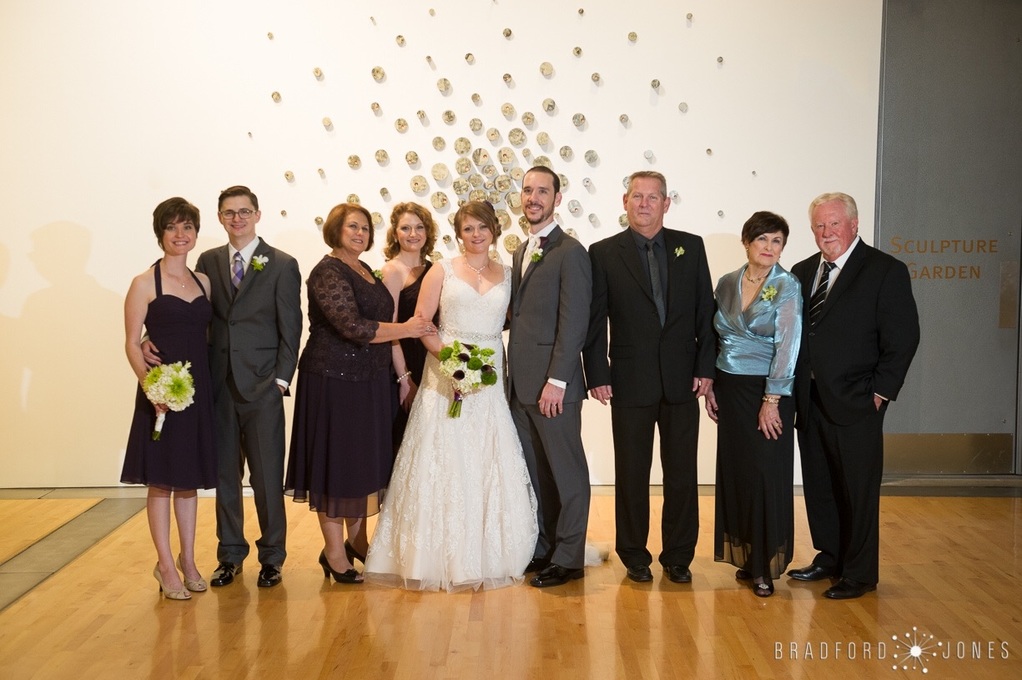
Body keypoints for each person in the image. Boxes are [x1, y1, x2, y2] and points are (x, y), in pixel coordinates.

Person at [366, 201, 539, 591]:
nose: (476, 235)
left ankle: (493, 551)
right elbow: (422, 323)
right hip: (445, 372)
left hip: (490, 374)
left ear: (494, 230)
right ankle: (434, 556)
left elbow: (518, 320)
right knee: (443, 456)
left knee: (487, 456)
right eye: (468, 228)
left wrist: (483, 368)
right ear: (458, 234)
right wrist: (455, 363)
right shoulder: (441, 269)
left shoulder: (509, 274)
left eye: (482, 227)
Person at [144, 186, 303, 589]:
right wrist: (148, 336)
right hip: (217, 387)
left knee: (267, 479)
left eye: (244, 211)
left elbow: (291, 328)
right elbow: (190, 313)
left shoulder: (282, 264)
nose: (237, 218)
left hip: (263, 387)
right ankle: (229, 556)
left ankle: (272, 557)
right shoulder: (208, 262)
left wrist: (280, 381)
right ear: (220, 218)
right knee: (226, 478)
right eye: (230, 212)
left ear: (257, 214)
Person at [285, 203, 436, 584]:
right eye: (352, 226)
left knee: (359, 466)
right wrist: (409, 329)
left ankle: (357, 542)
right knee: (334, 467)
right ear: (335, 230)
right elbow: (353, 326)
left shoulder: (364, 269)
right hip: (333, 380)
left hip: (369, 380)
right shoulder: (327, 271)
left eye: (365, 228)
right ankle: (334, 554)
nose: (360, 233)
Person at [583, 171, 715, 585]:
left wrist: (706, 368)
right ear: (624, 202)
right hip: (629, 380)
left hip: (683, 381)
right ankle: (634, 555)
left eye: (652, 197)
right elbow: (595, 319)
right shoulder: (603, 252)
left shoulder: (691, 246)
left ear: (666, 203)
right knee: (631, 474)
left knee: (682, 475)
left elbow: (705, 313)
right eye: (636, 196)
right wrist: (597, 373)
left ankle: (678, 556)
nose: (644, 204)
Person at [788, 192, 919, 599]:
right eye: (819, 225)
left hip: (858, 400)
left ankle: (859, 573)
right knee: (820, 484)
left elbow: (904, 337)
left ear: (854, 224)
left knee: (858, 490)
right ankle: (830, 557)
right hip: (809, 398)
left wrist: (880, 392)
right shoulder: (802, 271)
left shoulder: (884, 270)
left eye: (834, 224)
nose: (827, 232)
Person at [122, 197, 217, 600]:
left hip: (198, 391)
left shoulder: (203, 282)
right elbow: (131, 343)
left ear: (195, 233)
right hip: (160, 394)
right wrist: (153, 389)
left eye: (187, 227)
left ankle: (188, 560)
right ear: (160, 233)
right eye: (172, 227)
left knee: (188, 481)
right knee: (162, 481)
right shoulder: (144, 283)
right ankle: (165, 565)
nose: (180, 234)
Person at [703, 211, 802, 597]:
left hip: (768, 393)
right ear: (747, 242)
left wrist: (771, 400)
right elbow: (714, 338)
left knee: (764, 477)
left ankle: (763, 565)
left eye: (777, 241)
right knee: (739, 474)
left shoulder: (787, 285)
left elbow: (789, 347)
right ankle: (746, 557)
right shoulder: (727, 282)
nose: (769, 247)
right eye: (762, 239)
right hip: (730, 390)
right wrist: (712, 386)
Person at [508, 166, 593, 588]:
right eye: (528, 190)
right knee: (537, 474)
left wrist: (557, 381)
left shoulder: (570, 251)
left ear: (557, 199)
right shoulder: (520, 251)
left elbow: (574, 322)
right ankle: (544, 548)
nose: (533, 198)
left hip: (552, 386)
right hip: (520, 385)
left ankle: (569, 557)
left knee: (567, 473)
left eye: (542, 191)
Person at [380, 202, 439, 445]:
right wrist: (404, 379)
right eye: (405, 228)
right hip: (405, 362)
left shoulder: (435, 269)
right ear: (395, 233)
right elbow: (390, 328)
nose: (413, 234)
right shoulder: (392, 271)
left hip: (432, 361)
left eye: (419, 227)